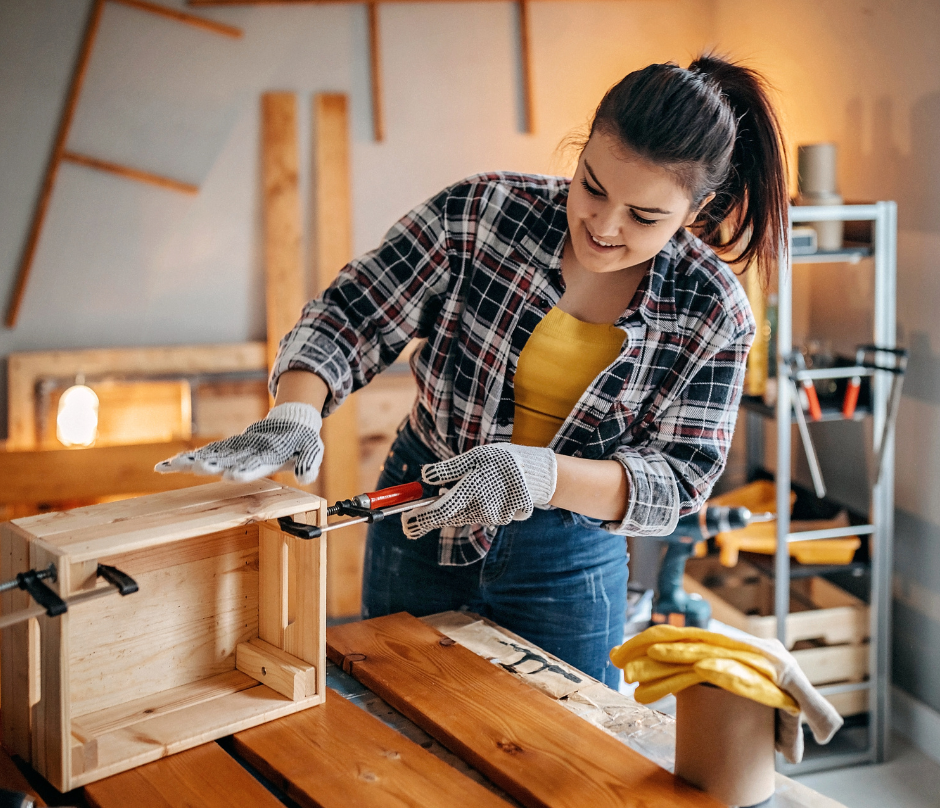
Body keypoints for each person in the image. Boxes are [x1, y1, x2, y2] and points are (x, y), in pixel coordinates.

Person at [158, 54, 788, 688]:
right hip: (422, 511)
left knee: (562, 754)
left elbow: (678, 483)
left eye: (644, 217)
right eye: (592, 186)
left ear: (697, 209)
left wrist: (538, 475)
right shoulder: (483, 213)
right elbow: (354, 313)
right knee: (402, 725)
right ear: (581, 152)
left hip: (567, 556)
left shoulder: (712, 311)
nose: (603, 224)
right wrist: (295, 407)